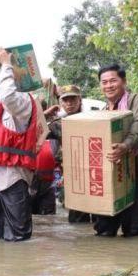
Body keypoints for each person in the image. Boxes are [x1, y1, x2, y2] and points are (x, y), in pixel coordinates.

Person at [0, 48, 40, 242]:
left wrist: (6, 64)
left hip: (13, 179)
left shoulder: (24, 101)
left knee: (18, 236)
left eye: (1, 75)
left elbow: (8, 96)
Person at [93, 64, 138, 237]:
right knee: (104, 229)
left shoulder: (137, 101)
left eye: (113, 80)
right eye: (104, 82)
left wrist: (125, 146)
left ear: (124, 81)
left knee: (134, 229)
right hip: (111, 176)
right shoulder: (102, 112)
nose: (109, 85)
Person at [45, 84, 95, 223]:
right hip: (74, 175)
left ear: (80, 100)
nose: (69, 103)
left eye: (73, 99)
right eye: (65, 100)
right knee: (77, 217)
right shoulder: (57, 124)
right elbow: (36, 132)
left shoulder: (93, 120)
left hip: (94, 173)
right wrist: (45, 115)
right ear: (60, 103)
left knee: (100, 216)